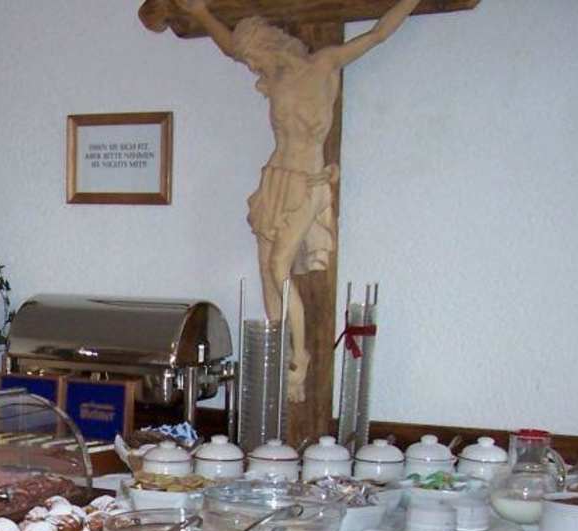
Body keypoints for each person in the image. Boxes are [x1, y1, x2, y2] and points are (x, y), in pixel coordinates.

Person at [170, 0, 420, 401]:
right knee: (266, 274)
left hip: (308, 180)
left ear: (269, 45)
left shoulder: (325, 63)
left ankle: (300, 356)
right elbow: (232, 47)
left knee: (279, 266)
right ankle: (281, 354)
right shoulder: (275, 73)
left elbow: (377, 34)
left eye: (256, 57)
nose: (253, 66)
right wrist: (201, 14)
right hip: (276, 178)